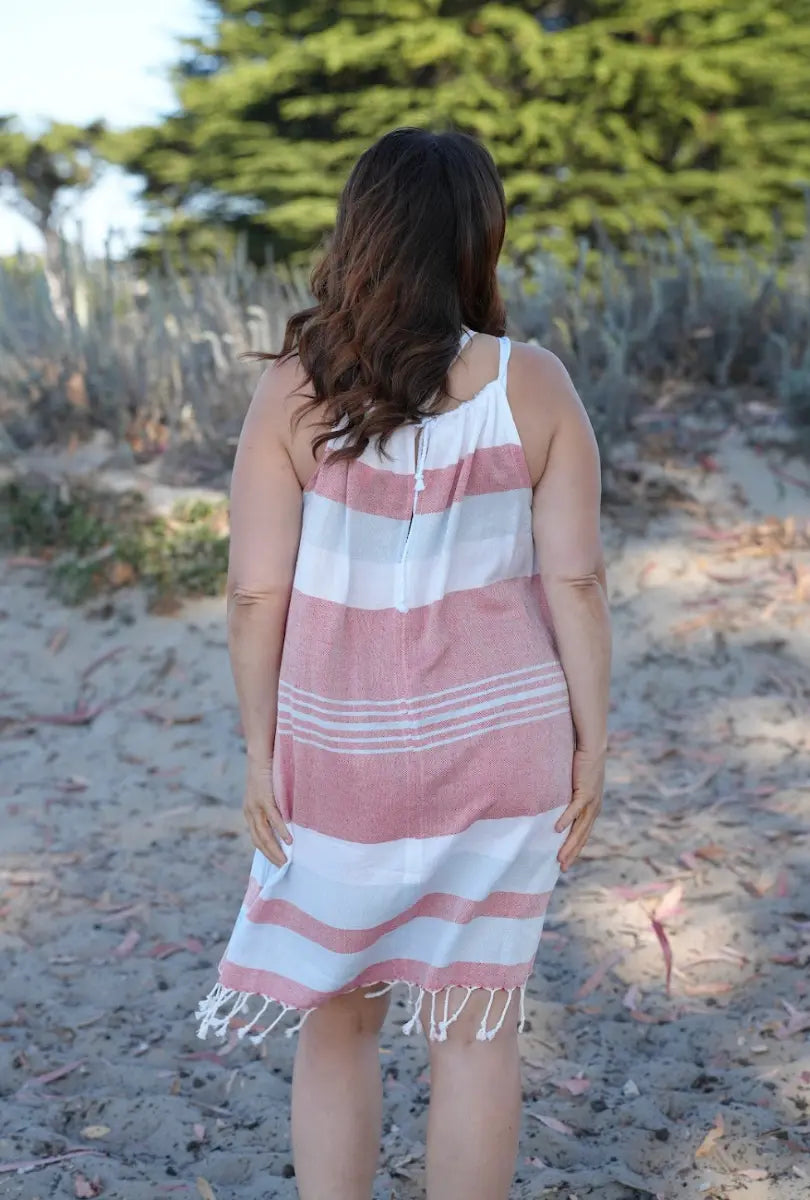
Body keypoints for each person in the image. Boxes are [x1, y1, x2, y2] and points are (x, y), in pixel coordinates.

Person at [196, 127, 611, 1200]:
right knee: (476, 1028)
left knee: (338, 1020)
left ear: (360, 234)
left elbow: (254, 592)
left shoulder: (296, 390)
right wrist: (593, 739)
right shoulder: (538, 385)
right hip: (506, 744)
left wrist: (258, 748)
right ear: (480, 238)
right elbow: (576, 585)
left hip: (339, 749)